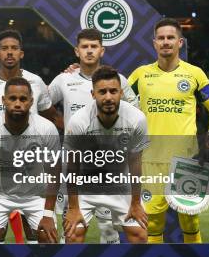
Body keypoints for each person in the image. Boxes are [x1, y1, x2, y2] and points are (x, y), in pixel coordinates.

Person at [128, 18, 209, 244]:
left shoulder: (195, 74)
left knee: (190, 221)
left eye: (170, 37)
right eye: (161, 38)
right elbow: (112, 93)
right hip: (150, 160)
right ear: (154, 43)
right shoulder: (140, 75)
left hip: (187, 160)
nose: (165, 42)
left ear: (180, 42)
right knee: (151, 223)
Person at [46, 28, 137, 244]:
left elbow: (135, 113)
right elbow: (42, 104)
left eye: (93, 46)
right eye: (85, 47)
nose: (89, 51)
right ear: (77, 51)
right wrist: (60, 122)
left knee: (109, 229)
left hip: (110, 165)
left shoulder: (118, 80)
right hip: (76, 164)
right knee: (72, 226)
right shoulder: (64, 80)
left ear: (102, 50)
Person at [0, 29, 53, 243]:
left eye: (14, 48)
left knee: (43, 236)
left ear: (21, 53)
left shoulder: (37, 82)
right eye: (5, 48)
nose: (9, 53)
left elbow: (51, 115)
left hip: (32, 175)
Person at [63, 66, 149, 244]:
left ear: (121, 93)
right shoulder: (79, 121)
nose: (108, 97)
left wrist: (135, 203)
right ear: (93, 94)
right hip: (85, 185)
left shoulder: (136, 118)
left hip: (120, 183)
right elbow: (72, 168)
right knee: (72, 235)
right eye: (102, 92)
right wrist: (73, 208)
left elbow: (135, 162)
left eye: (113, 91)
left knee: (139, 234)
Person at [0, 77, 61, 243]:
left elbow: (54, 173)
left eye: (23, 99)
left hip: (37, 195)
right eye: (12, 98)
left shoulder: (46, 128)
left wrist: (48, 215)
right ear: (3, 100)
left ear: (31, 102)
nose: (18, 103)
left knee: (48, 238)